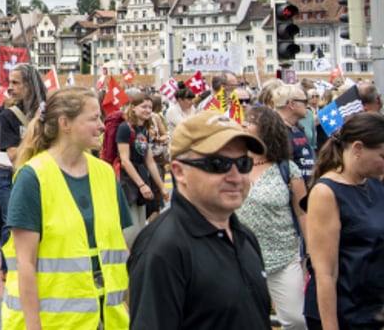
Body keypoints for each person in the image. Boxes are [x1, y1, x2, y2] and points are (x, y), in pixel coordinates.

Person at [2, 87, 132, 329]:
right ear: (65, 123)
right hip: (54, 323)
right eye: (94, 118)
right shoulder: (32, 177)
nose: (102, 126)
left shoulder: (104, 173)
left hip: (109, 320)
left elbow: (121, 250)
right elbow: (25, 264)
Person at [128, 110, 271, 329]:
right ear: (179, 172)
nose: (235, 177)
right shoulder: (164, 248)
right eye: (217, 164)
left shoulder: (243, 235)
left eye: (243, 164)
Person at [304, 112, 384, 330]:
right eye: (382, 156)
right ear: (357, 148)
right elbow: (325, 273)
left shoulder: (375, 184)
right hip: (342, 313)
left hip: (369, 310)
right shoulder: (326, 192)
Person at [236, 106, 308, 330]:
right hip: (240, 257)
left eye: (251, 121)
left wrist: (310, 253)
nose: (244, 123)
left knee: (297, 320)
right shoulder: (232, 166)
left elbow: (302, 212)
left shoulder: (287, 169)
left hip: (283, 257)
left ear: (267, 130)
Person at [0, 64, 47, 277]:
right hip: (14, 176)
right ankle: (11, 268)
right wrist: (35, 133)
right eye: (10, 82)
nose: (10, 88)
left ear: (30, 84)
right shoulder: (8, 115)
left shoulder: (48, 111)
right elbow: (14, 155)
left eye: (16, 83)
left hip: (44, 176)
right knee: (13, 222)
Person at [116, 92, 165, 246]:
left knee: (139, 227)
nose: (147, 110)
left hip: (141, 177)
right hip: (128, 181)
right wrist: (141, 185)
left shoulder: (144, 130)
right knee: (130, 229)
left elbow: (149, 161)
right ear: (133, 108)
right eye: (143, 106)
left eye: (150, 107)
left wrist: (162, 188)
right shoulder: (125, 128)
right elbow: (125, 160)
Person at [273, 84, 316, 186]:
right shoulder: (275, 130)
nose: (308, 105)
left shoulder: (298, 127)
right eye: (305, 102)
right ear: (291, 104)